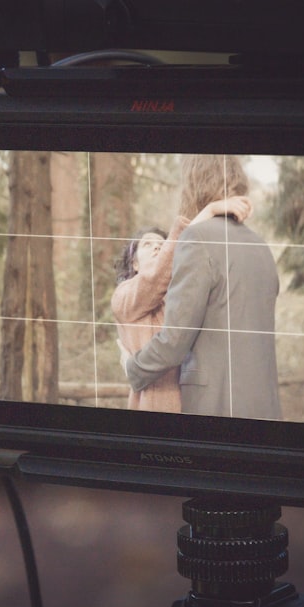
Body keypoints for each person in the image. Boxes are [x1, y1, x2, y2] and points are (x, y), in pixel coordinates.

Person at [121, 155, 282, 420]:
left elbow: (174, 340)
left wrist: (133, 368)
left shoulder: (197, 239)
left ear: (194, 183)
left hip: (215, 408)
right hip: (266, 407)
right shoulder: (260, 246)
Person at [112, 194, 252, 412]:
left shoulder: (176, 295)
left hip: (193, 401)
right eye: (148, 244)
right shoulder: (123, 296)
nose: (157, 247)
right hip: (155, 402)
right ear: (135, 263)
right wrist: (210, 210)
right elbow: (158, 273)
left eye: (161, 243)